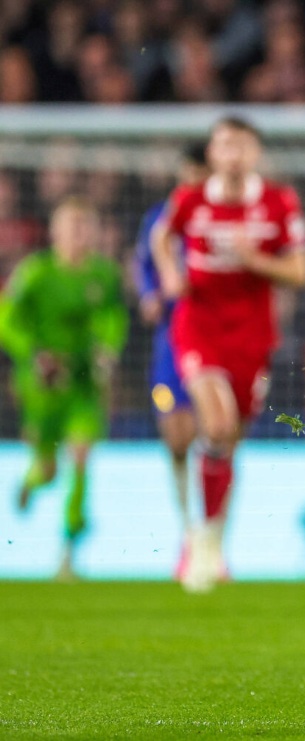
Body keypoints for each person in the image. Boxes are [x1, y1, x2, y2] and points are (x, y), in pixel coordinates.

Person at [153, 116, 305, 593]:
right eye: (224, 144)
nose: (233, 153)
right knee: (218, 425)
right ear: (213, 153)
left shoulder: (280, 202)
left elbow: (300, 273)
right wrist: (170, 275)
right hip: (198, 326)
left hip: (252, 335)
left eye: (242, 144)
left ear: (255, 153)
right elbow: (161, 237)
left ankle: (213, 541)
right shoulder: (190, 199)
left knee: (229, 440)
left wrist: (254, 260)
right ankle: (201, 543)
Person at [0, 197, 128, 580]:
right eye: (71, 228)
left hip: (84, 383)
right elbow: (7, 319)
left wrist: (108, 348)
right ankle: (32, 479)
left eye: (84, 228)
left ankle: (69, 551)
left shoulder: (104, 274)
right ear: (54, 233)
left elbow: (113, 316)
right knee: (50, 470)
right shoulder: (35, 273)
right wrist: (33, 354)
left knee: (82, 455)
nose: (78, 235)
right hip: (42, 386)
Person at [132, 141, 208, 581]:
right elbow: (143, 265)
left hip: (213, 338)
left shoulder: (221, 218)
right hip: (171, 341)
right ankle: (189, 533)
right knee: (176, 437)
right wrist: (148, 295)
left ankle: (212, 538)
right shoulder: (160, 218)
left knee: (214, 435)